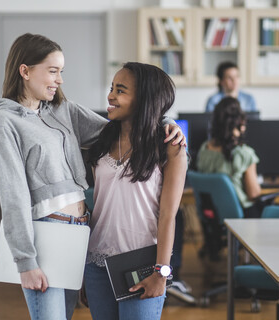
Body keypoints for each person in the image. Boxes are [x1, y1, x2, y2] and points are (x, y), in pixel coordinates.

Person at [0, 33, 185, 320]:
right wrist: (25, 260)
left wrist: (166, 122)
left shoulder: (62, 110)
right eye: (53, 71)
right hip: (47, 234)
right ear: (25, 71)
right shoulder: (6, 121)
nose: (60, 80)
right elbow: (13, 195)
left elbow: (122, 127)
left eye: (61, 72)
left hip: (80, 233)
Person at [84, 62, 188, 320]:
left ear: (144, 99)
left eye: (120, 90)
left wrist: (161, 273)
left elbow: (167, 216)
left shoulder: (170, 147)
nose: (110, 96)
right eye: (111, 88)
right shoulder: (102, 138)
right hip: (97, 263)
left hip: (144, 265)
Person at [197, 96, 262, 218]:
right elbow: (254, 194)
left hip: (214, 217)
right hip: (241, 217)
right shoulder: (244, 153)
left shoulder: (204, 148)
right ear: (240, 122)